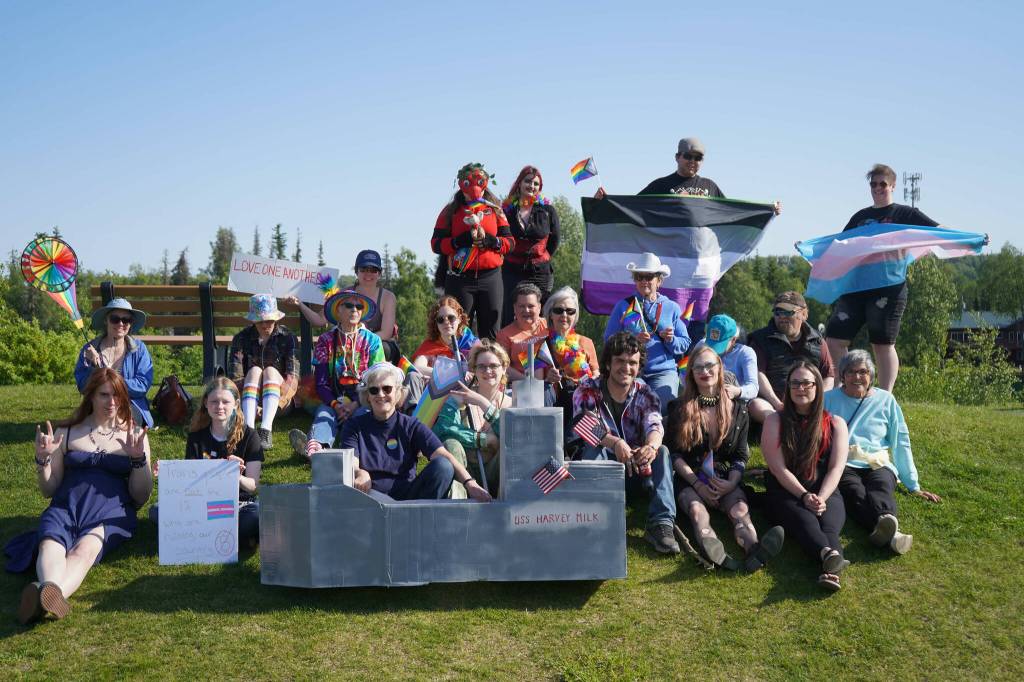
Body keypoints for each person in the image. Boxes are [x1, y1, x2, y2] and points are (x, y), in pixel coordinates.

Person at [7, 369, 152, 624]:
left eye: (118, 396)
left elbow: (140, 497)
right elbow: (48, 489)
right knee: (49, 544)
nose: (112, 402)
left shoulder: (134, 435)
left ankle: (48, 594)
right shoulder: (68, 432)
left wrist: (138, 459)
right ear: (91, 397)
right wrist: (43, 460)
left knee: (84, 552)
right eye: (105, 395)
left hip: (110, 513)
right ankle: (50, 593)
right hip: (66, 506)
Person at [665, 344, 785, 571]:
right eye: (698, 367)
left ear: (720, 368)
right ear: (691, 374)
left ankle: (755, 550)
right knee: (697, 512)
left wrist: (731, 482)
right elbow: (675, 454)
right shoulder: (679, 408)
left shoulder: (739, 409)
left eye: (710, 365)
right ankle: (716, 553)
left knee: (740, 511)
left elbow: (741, 454)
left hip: (723, 476)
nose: (705, 371)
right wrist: (697, 485)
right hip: (689, 476)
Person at [824, 164, 941, 391]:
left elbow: (938, 230)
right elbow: (839, 244)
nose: (877, 188)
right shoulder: (860, 216)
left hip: (888, 288)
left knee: (882, 344)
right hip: (856, 287)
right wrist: (810, 248)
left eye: (882, 184)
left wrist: (972, 239)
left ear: (893, 186)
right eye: (873, 184)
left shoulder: (905, 214)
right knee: (834, 339)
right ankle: (844, 387)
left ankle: (886, 395)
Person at [572, 332, 679, 555]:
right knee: (594, 448)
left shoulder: (646, 393)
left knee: (663, 451)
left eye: (632, 362)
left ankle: (661, 525)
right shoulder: (587, 388)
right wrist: (615, 442)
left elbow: (655, 425)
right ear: (608, 363)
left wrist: (651, 446)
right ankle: (598, 520)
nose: (626, 367)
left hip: (638, 469)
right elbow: (584, 424)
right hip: (605, 466)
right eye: (620, 360)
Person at [824, 350, 941, 554]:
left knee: (881, 487)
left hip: (877, 462)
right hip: (844, 462)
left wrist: (913, 485)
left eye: (862, 371)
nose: (857, 377)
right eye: (850, 372)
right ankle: (892, 535)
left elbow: (901, 440)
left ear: (871, 375)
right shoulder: (828, 399)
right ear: (842, 376)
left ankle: (885, 521)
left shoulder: (886, 400)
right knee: (854, 492)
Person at [331, 363, 492, 502]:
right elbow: (350, 462)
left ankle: (426, 522)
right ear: (367, 396)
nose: (381, 395)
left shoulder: (410, 424)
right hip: (370, 497)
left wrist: (470, 483)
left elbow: (443, 455)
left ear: (398, 393)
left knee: (443, 466)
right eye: (374, 390)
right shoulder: (354, 426)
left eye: (387, 389)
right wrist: (360, 472)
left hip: (409, 498)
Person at [761, 361, 850, 592]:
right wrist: (804, 495)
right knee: (806, 521)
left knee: (829, 526)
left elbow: (836, 468)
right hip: (785, 490)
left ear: (817, 387)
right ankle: (828, 558)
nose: (801, 388)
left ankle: (830, 565)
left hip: (825, 489)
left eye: (806, 384)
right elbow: (778, 468)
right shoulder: (775, 420)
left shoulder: (836, 424)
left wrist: (821, 496)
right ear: (788, 388)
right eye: (795, 383)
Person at [288, 289, 384, 459]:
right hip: (333, 398)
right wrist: (336, 405)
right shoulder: (326, 340)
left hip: (364, 399)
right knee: (325, 415)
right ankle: (316, 450)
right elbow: (321, 382)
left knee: (365, 416)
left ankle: (356, 451)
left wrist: (355, 404)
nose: (355, 309)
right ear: (338, 310)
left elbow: (376, 379)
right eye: (349, 305)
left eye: (359, 306)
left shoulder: (373, 341)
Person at [431, 162, 515, 339]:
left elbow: (510, 243)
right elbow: (436, 244)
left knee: (491, 332)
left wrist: (492, 242)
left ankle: (489, 365)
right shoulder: (450, 211)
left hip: (490, 277)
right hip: (460, 278)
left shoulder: (496, 210)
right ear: (461, 187)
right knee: (456, 330)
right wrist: (458, 242)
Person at [595, 137, 781, 214]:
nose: (693, 161)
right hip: (670, 257)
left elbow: (731, 212)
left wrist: (767, 210)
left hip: (701, 261)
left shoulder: (710, 186)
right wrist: (603, 203)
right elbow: (631, 208)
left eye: (698, 157)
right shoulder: (661, 185)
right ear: (677, 157)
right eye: (688, 156)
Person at [603, 253, 691, 412]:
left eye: (649, 276)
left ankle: (660, 437)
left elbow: (685, 343)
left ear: (659, 280)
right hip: (631, 371)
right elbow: (608, 340)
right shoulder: (623, 306)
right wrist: (632, 341)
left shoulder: (671, 307)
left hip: (664, 372)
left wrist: (671, 340)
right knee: (634, 408)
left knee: (663, 408)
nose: (644, 281)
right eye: (639, 276)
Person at [288, 249, 400, 362]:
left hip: (376, 344)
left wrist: (357, 342)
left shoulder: (387, 297)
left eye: (373, 270)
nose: (368, 274)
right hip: (346, 344)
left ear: (379, 273)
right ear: (357, 272)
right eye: (364, 269)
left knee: (382, 348)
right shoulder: (345, 293)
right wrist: (300, 304)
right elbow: (320, 320)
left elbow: (386, 333)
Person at [433, 340, 512, 496]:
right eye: (481, 366)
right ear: (474, 370)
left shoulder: (512, 403)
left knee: (508, 449)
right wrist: (481, 439)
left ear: (503, 368)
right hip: (465, 474)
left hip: (498, 475)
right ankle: (458, 507)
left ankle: (507, 507)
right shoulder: (461, 396)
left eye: (493, 366)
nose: (487, 370)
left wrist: (483, 403)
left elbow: (514, 438)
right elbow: (441, 430)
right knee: (451, 444)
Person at [747, 291, 835, 423]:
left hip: (809, 403)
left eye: (788, 312)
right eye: (778, 312)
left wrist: (818, 400)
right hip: (773, 405)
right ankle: (780, 426)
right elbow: (758, 374)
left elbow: (828, 375)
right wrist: (777, 404)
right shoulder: (760, 340)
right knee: (756, 405)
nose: (782, 317)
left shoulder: (818, 342)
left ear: (804, 314)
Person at [228, 294, 298, 450]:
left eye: (269, 319)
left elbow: (292, 378)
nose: (265, 324)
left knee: (271, 371)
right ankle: (248, 429)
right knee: (254, 371)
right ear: (253, 320)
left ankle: (266, 429)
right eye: (260, 320)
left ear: (276, 319)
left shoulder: (288, 337)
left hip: (279, 402)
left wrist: (278, 403)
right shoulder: (241, 338)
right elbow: (235, 378)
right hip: (248, 401)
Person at [74, 297, 154, 428]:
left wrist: (110, 383)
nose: (121, 323)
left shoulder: (140, 349)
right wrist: (93, 368)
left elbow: (142, 385)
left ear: (131, 323)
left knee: (123, 419)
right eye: (115, 319)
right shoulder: (90, 349)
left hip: (130, 405)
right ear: (106, 320)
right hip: (98, 405)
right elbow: (83, 386)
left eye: (126, 320)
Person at [500, 165, 560, 326]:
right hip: (512, 271)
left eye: (535, 184)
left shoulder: (547, 210)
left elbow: (554, 241)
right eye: (528, 182)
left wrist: (539, 256)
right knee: (510, 314)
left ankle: (542, 350)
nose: (531, 186)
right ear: (519, 183)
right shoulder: (506, 211)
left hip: (539, 273)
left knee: (541, 315)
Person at [541, 286, 599, 441]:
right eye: (559, 310)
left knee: (587, 395)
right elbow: (528, 376)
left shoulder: (586, 342)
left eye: (570, 311)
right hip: (552, 396)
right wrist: (546, 377)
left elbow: (596, 373)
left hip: (579, 395)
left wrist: (588, 380)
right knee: (543, 389)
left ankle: (573, 446)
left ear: (575, 316)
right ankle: (546, 440)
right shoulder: (537, 342)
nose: (564, 315)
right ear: (550, 314)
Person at [411, 295, 479, 374]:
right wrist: (448, 374)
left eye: (451, 318)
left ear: (459, 319)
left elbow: (483, 365)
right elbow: (417, 367)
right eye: (440, 320)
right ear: (436, 323)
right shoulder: (431, 345)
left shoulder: (471, 342)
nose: (446, 322)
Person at [496, 282, 549, 382]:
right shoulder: (504, 334)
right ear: (514, 308)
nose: (526, 310)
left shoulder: (550, 326)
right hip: (523, 386)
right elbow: (502, 366)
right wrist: (529, 383)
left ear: (539, 307)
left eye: (531, 306)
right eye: (521, 306)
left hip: (553, 383)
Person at [700, 314, 758, 401]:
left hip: (732, 400)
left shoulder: (745, 353)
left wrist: (737, 391)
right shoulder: (702, 345)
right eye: (711, 342)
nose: (713, 349)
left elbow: (753, 387)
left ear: (733, 340)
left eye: (719, 344)